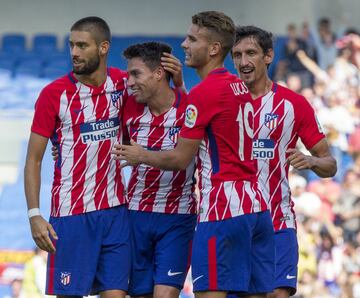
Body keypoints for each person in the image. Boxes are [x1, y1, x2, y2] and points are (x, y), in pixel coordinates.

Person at [113, 11, 274, 298]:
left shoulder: (204, 93)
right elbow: (208, 118)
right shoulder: (241, 87)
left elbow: (179, 159)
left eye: (191, 39)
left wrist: (141, 155)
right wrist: (179, 88)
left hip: (222, 209)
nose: (184, 45)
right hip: (257, 205)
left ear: (213, 49)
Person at [24, 16, 131, 298]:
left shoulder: (123, 84)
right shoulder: (53, 95)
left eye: (82, 45)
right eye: (72, 45)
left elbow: (151, 117)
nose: (74, 52)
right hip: (71, 214)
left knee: (116, 294)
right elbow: (34, 159)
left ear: (104, 47)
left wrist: (178, 82)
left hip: (116, 211)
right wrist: (34, 214)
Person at [231, 25, 337, 298]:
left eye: (251, 53)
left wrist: (311, 160)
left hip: (278, 220)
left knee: (277, 293)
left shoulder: (294, 104)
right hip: (233, 222)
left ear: (268, 56)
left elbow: (330, 164)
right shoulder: (223, 102)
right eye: (237, 55)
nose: (243, 62)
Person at [122, 42, 197, 298]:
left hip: (178, 217)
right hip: (135, 215)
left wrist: (142, 155)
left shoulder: (190, 108)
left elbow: (182, 159)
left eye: (136, 74)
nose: (129, 82)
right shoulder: (128, 108)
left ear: (158, 73)